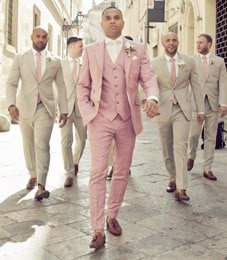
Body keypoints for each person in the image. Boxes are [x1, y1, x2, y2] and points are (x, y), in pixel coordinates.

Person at [77, 7, 159, 250]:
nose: (113, 21)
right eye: (108, 18)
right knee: (98, 172)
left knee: (122, 170)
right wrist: (89, 112)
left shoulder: (137, 49)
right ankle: (97, 228)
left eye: (116, 18)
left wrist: (152, 98)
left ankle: (113, 215)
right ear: (102, 23)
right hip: (99, 118)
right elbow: (82, 86)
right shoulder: (91, 51)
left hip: (126, 118)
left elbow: (149, 78)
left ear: (123, 22)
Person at [6, 26, 68, 200]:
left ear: (47, 39)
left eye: (44, 37)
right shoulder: (21, 58)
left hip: (45, 108)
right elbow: (11, 83)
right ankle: (32, 174)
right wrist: (11, 104)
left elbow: (62, 87)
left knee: (42, 144)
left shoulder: (55, 61)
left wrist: (63, 110)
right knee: (28, 144)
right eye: (38, 36)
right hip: (24, 108)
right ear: (32, 37)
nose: (41, 39)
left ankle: (41, 185)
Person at [151, 32, 204, 201]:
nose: (171, 43)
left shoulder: (189, 61)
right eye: (168, 40)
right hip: (163, 108)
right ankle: (173, 177)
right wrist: (147, 101)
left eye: (174, 40)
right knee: (167, 147)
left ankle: (182, 187)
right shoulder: (154, 63)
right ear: (162, 43)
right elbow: (149, 85)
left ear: (178, 41)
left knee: (180, 146)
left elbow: (196, 86)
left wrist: (201, 110)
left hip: (182, 109)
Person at [187, 33, 227, 180]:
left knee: (210, 137)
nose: (198, 44)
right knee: (193, 135)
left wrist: (223, 103)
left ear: (209, 44)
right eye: (197, 42)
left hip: (212, 104)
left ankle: (207, 168)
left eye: (201, 42)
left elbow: (223, 82)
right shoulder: (190, 60)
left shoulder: (219, 61)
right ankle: (191, 155)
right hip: (196, 104)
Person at [61, 37, 87, 187]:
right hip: (65, 108)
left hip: (81, 109)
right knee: (66, 141)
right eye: (80, 46)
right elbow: (55, 86)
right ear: (70, 47)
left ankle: (75, 161)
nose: (82, 49)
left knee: (82, 139)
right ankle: (69, 172)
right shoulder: (60, 64)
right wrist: (58, 108)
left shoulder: (84, 65)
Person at [107, 35, 134, 181]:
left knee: (127, 139)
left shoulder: (136, 60)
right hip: (111, 105)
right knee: (112, 138)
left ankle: (125, 165)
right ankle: (114, 166)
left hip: (129, 106)